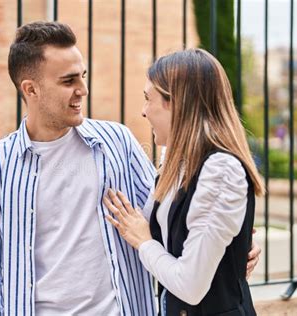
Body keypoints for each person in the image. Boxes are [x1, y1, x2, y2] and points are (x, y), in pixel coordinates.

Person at [0, 22, 260, 315]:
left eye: (83, 76)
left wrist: (229, 248)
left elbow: (163, 217)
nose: (83, 90)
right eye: (69, 81)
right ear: (31, 89)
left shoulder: (117, 141)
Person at [104, 48, 265, 315]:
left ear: (176, 102)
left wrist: (144, 242)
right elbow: (177, 237)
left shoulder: (220, 169)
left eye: (148, 99)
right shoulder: (176, 160)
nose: (143, 112)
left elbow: (190, 285)